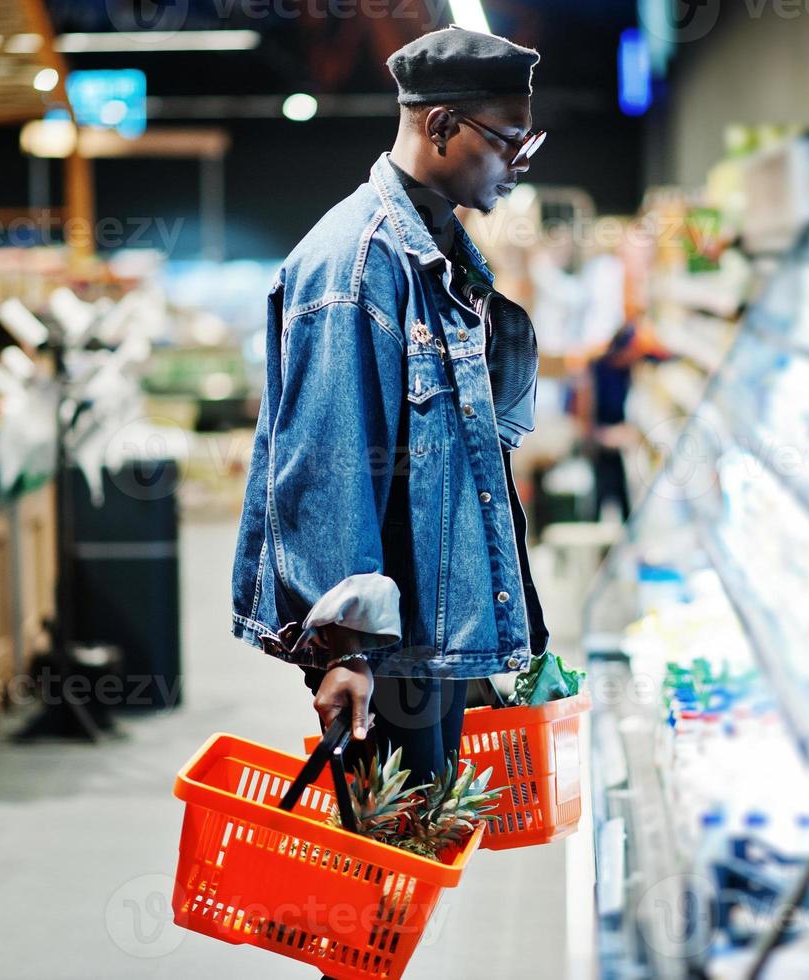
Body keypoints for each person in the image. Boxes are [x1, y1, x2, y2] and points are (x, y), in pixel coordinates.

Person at [229, 26, 551, 796]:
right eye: (508, 141)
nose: (519, 165)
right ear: (439, 127)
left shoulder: (435, 255)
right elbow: (325, 462)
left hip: (426, 639)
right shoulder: (357, 263)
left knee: (412, 877)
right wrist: (343, 651)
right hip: (387, 656)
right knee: (377, 889)